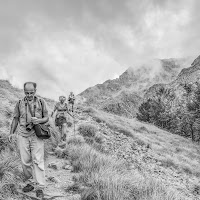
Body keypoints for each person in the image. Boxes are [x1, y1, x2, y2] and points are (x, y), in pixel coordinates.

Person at [8, 82, 49, 198]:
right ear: (24, 91)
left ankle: (40, 187)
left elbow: (46, 118)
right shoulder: (19, 103)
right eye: (27, 93)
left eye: (31, 92)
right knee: (25, 161)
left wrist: (39, 121)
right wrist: (11, 133)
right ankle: (30, 183)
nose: (29, 95)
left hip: (36, 135)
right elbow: (15, 119)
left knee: (38, 160)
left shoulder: (41, 102)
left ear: (35, 91)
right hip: (22, 135)